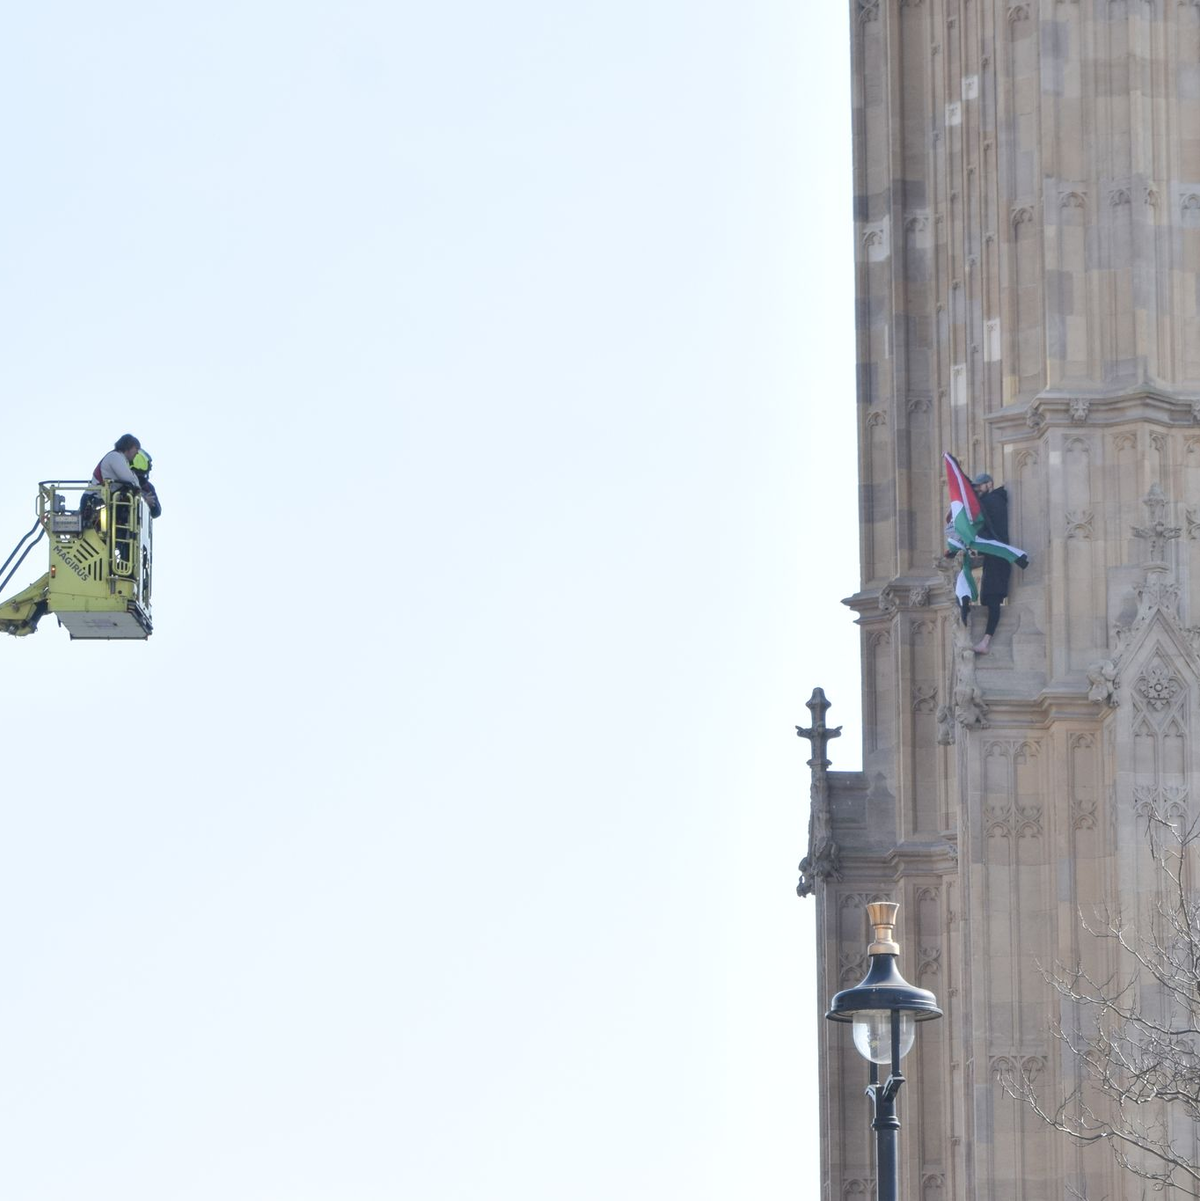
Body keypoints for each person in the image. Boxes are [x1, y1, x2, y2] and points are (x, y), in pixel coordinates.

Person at [970, 472, 1016, 656]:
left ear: (989, 484)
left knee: (992, 598)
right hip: (995, 556)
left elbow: (986, 527)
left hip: (998, 557)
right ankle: (985, 641)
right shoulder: (994, 500)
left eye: (979, 486)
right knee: (990, 597)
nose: (977, 490)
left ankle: (986, 641)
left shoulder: (991, 502)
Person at [84, 434, 143, 565]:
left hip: (101, 503)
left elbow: (134, 482)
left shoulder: (121, 460)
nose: (137, 452)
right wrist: (135, 483)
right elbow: (129, 479)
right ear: (128, 446)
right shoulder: (115, 457)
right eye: (136, 448)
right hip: (94, 502)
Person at [131, 449, 162, 518]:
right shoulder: (123, 480)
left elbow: (157, 512)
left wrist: (150, 504)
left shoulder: (148, 486)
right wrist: (143, 501)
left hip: (138, 521)